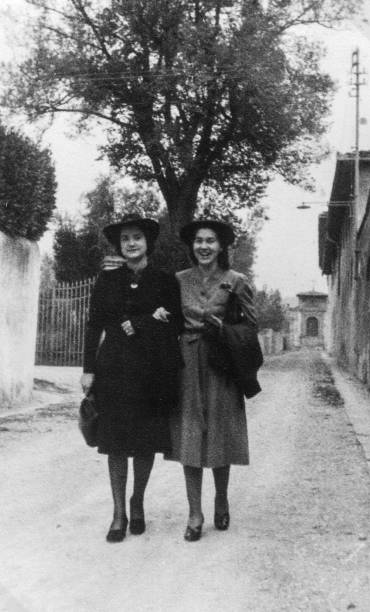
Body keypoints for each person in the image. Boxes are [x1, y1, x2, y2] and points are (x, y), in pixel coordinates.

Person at [80, 214, 183, 543]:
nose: (131, 243)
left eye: (137, 237)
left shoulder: (165, 282)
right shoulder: (107, 281)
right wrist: (88, 369)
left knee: (143, 443)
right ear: (119, 245)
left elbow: (177, 323)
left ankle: (137, 502)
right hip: (113, 369)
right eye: (125, 239)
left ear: (147, 242)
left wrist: (143, 322)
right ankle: (118, 513)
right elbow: (94, 325)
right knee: (114, 443)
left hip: (151, 372)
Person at [169, 219, 258, 542]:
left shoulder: (236, 281)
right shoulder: (178, 280)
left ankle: (221, 498)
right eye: (198, 241)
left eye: (210, 241)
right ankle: (195, 512)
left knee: (220, 432)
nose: (203, 246)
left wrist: (225, 329)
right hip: (187, 362)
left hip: (222, 363)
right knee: (190, 434)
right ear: (192, 246)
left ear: (221, 247)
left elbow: (251, 327)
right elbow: (168, 319)